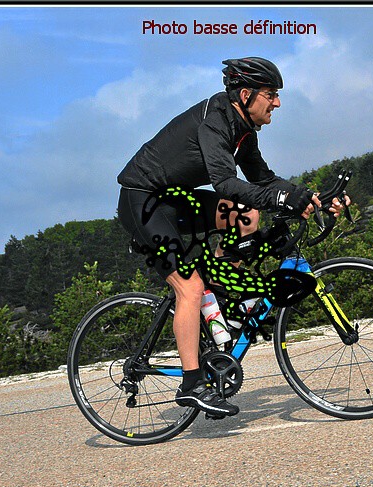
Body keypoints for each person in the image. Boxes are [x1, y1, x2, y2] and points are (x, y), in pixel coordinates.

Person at [116, 57, 350, 417]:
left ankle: (224, 305)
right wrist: (281, 200)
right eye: (271, 94)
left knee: (246, 216)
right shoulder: (215, 121)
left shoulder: (243, 130)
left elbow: (263, 180)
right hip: (143, 201)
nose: (277, 103)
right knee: (189, 287)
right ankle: (192, 385)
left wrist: (311, 198)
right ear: (246, 95)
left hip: (175, 200)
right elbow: (225, 183)